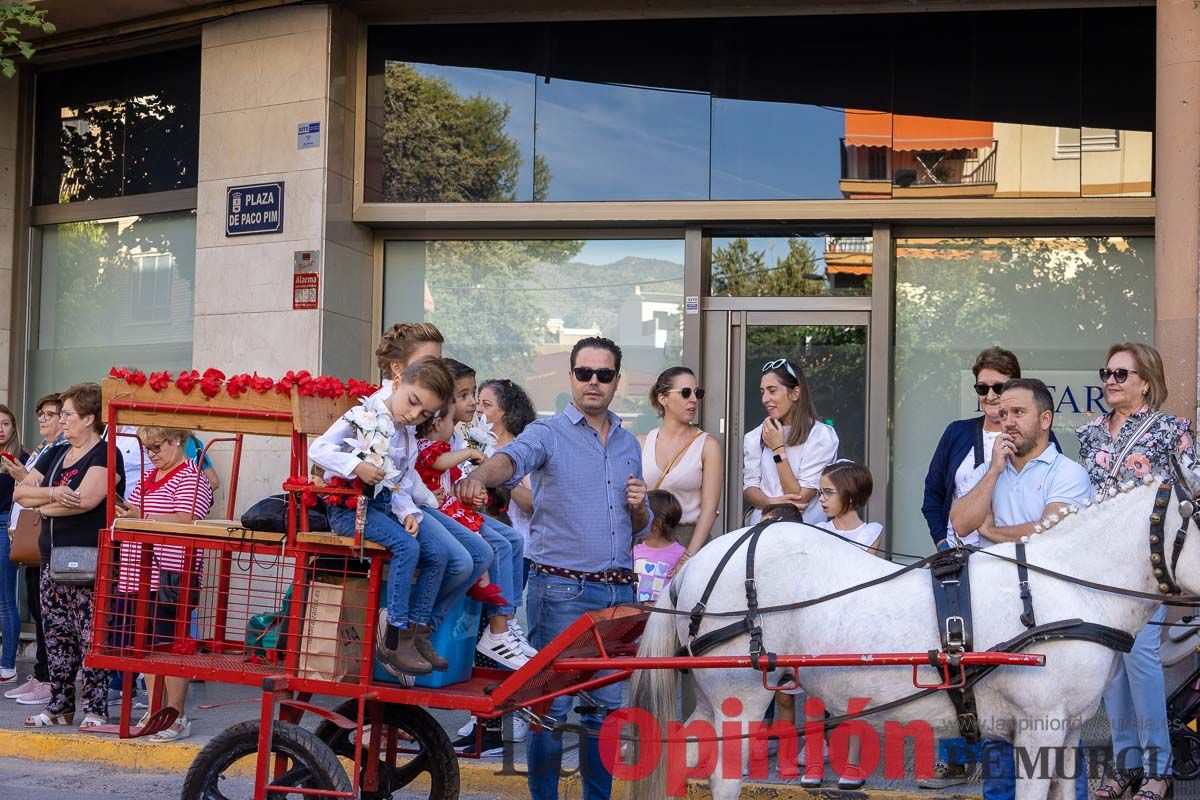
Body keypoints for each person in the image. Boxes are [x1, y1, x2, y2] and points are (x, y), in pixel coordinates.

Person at [454, 336, 651, 800]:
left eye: (604, 375)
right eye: (585, 373)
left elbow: (638, 528)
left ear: (616, 381)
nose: (593, 382)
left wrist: (640, 509)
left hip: (619, 595)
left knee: (604, 711)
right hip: (561, 591)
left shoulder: (628, 443)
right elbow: (510, 460)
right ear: (571, 377)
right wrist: (479, 477)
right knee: (548, 710)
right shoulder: (547, 433)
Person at [949, 378, 1093, 800]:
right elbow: (960, 523)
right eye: (1002, 414)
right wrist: (993, 471)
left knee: (1058, 735)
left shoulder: (1070, 473)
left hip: (1052, 627)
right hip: (997, 618)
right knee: (997, 729)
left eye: (1017, 413)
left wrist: (992, 532)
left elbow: (1049, 534)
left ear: (1045, 420)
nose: (1005, 421)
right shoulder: (988, 471)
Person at [1078, 343, 1196, 800]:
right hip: (1098, 565)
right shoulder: (1090, 433)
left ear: (1146, 381)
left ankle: (1158, 769)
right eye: (1107, 372)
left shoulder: (1172, 430)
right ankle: (1126, 764)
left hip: (1146, 563)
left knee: (1141, 657)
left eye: (1121, 374)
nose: (1110, 380)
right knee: (1112, 666)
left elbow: (1195, 490)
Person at [920, 347, 1032, 788]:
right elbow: (933, 495)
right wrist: (940, 541)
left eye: (999, 387)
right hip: (954, 562)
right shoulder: (957, 433)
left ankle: (1002, 759)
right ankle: (957, 757)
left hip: (1005, 563)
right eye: (982, 387)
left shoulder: (1029, 435)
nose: (989, 395)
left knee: (1000, 662)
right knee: (951, 657)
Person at [310, 355, 455, 677]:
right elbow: (318, 449)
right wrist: (356, 466)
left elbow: (398, 481)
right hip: (351, 511)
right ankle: (393, 636)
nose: (414, 415)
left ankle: (414, 633)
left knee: (437, 553)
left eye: (425, 414)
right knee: (408, 548)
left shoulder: (405, 434)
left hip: (382, 507)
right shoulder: (362, 415)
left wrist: (409, 512)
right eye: (413, 402)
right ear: (398, 382)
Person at [14, 382, 125, 729]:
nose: (62, 420)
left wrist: (44, 507)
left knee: (91, 636)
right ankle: (60, 704)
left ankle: (95, 708)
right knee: (56, 634)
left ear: (89, 418)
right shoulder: (56, 453)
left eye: (67, 414)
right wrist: (55, 492)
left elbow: (88, 500)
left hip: (92, 559)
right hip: (52, 559)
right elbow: (21, 493)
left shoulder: (106, 453)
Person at [112, 426, 214, 742]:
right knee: (145, 648)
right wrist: (132, 513)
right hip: (136, 575)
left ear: (177, 441)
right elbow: (135, 510)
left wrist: (141, 516)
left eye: (157, 446)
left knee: (170, 648)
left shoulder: (191, 477)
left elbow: (186, 520)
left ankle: (177, 714)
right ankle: (158, 710)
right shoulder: (148, 478)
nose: (152, 453)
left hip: (169, 574)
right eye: (148, 448)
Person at [440, 359, 532, 668]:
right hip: (446, 512)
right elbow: (437, 475)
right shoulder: (456, 437)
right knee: (488, 550)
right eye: (467, 397)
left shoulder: (519, 449)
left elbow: (529, 502)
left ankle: (505, 623)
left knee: (511, 542)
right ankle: (498, 626)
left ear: (506, 413)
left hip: (497, 529)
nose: (476, 407)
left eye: (482, 402)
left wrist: (493, 475)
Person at [4, 393, 63, 706]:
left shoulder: (61, 449)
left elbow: (44, 489)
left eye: (51, 414)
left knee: (48, 614)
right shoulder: (45, 448)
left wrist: (22, 477)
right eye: (40, 414)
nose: (44, 420)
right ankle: (41, 674)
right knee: (39, 612)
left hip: (48, 538)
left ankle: (50, 679)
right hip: (29, 536)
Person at [640, 367, 723, 567]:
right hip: (648, 540)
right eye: (686, 392)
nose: (693, 399)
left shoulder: (707, 445)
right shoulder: (642, 443)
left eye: (698, 393)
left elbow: (709, 510)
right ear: (663, 398)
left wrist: (689, 556)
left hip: (689, 537)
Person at [743, 358, 839, 524]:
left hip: (804, 533)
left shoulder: (820, 436)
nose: (765, 399)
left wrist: (778, 448)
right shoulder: (754, 436)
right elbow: (749, 489)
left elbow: (800, 498)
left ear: (795, 393)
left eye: (772, 391)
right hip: (763, 532)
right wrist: (772, 503)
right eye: (762, 392)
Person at [0, 404, 30, 686]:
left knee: (5, 598)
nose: (1, 429)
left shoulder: (22, 458)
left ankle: (7, 665)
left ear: (13, 427)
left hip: (4, 525)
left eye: (6, 423)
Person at [634, 491, 687, 603]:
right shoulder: (634, 551)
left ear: (656, 524)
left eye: (642, 516)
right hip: (634, 617)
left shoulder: (681, 555)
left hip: (663, 618)